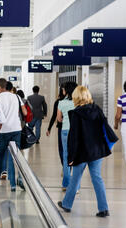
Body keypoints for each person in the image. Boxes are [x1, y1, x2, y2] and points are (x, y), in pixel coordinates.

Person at [58, 86, 118, 218]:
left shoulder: (76, 113)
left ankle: (67, 205)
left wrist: (71, 157)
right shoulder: (97, 109)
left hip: (81, 152)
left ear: (76, 98)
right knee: (97, 178)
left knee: (75, 178)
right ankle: (103, 208)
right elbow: (104, 127)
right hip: (96, 150)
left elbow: (74, 137)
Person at [0, 79, 27, 191]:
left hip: (3, 131)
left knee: (0, 154)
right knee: (14, 156)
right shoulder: (16, 97)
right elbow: (24, 112)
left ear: (0, 87)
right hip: (16, 129)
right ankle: (13, 184)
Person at [57, 82, 78, 192]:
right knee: (77, 158)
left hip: (65, 131)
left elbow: (59, 119)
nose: (63, 91)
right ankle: (76, 187)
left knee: (66, 157)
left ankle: (65, 184)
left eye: (64, 89)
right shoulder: (78, 103)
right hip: (76, 132)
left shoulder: (61, 103)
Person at [46, 84, 66, 166]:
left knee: (61, 148)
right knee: (68, 148)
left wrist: (49, 128)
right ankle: (67, 166)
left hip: (61, 128)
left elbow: (54, 116)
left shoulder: (58, 102)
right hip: (71, 128)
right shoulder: (74, 101)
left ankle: (64, 166)